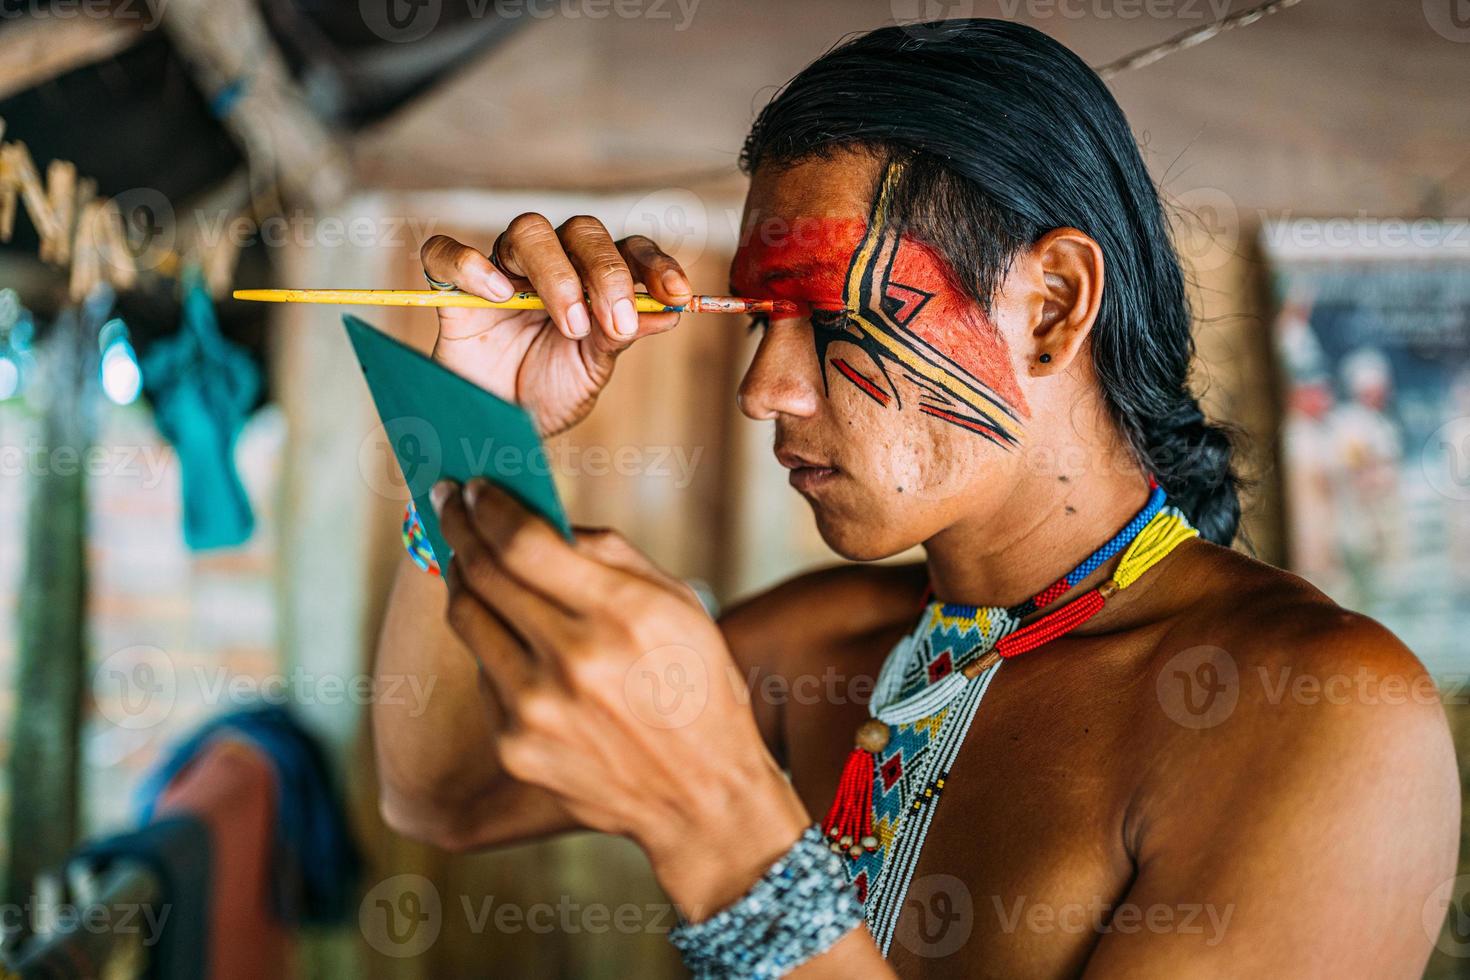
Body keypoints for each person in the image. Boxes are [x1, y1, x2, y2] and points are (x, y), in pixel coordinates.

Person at [372, 19, 1459, 978]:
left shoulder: (1315, 714)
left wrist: (721, 824)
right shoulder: (827, 642)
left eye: (832, 320)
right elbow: (444, 790)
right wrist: (476, 420)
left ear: (1051, 305)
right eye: (760, 321)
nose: (764, 389)